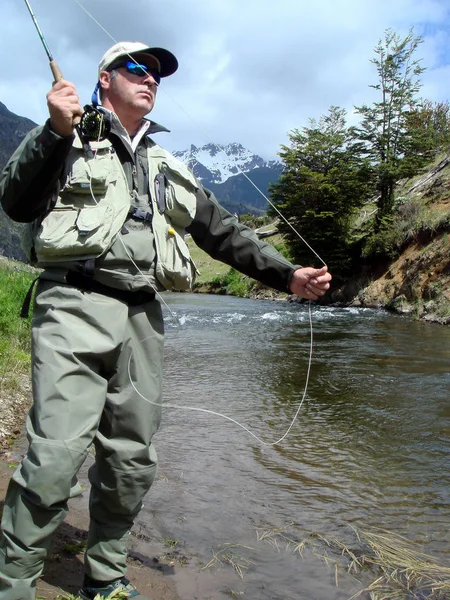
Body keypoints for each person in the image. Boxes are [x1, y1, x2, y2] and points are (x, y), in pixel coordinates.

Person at [0, 41, 332, 600]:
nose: (149, 77)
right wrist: (54, 131)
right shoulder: (65, 135)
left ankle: (104, 576)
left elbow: (221, 232)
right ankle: (13, 583)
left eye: (156, 72)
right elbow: (15, 199)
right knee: (56, 455)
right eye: (136, 68)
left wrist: (287, 277)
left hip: (143, 317)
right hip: (73, 304)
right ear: (105, 79)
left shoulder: (168, 165)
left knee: (131, 459)